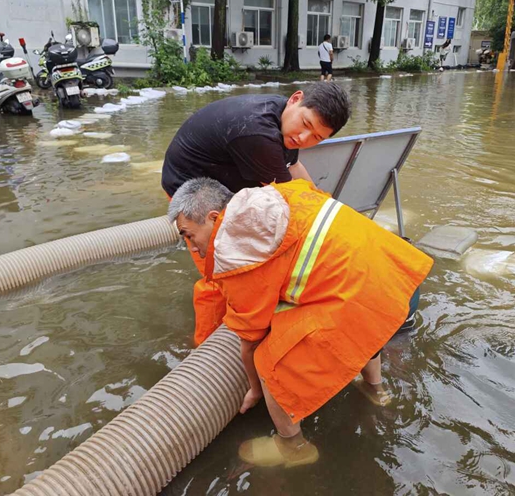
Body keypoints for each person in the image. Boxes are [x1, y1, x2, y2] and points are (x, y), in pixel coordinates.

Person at [168, 177, 433, 467]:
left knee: (270, 360)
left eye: (189, 235)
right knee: (366, 323)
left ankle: (292, 447)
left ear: (214, 217)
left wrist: (256, 389)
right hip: (399, 278)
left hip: (361, 299)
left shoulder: (235, 251)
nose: (191, 246)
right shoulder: (281, 193)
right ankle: (376, 391)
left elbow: (250, 338)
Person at [161, 83, 351, 345]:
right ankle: (206, 348)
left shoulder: (285, 119)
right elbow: (290, 199)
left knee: (250, 262)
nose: (304, 138)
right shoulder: (257, 132)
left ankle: (239, 327)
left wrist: (328, 206)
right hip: (194, 193)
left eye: (316, 137)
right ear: (296, 99)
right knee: (220, 274)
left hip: (223, 182)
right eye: (305, 124)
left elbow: (294, 167)